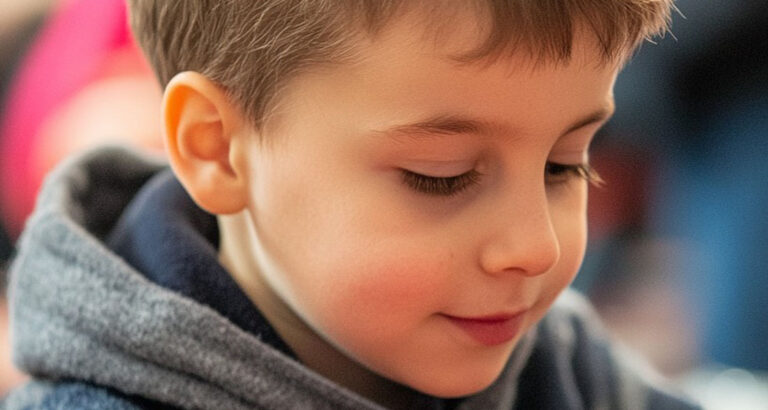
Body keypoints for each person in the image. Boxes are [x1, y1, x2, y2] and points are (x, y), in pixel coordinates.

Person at [1, 1, 701, 409]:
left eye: (564, 163)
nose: (536, 247)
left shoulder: (565, 363)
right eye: (442, 176)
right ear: (217, 150)